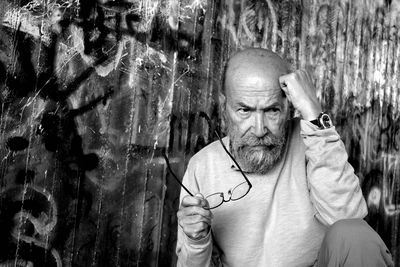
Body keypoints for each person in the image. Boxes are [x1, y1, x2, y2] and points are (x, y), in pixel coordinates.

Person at [175, 48, 394, 267]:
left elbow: (350, 223)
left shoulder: (313, 143)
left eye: (272, 111)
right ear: (225, 109)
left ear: (288, 107)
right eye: (244, 110)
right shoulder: (202, 166)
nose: (259, 130)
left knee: (353, 232)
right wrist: (196, 242)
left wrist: (315, 116)